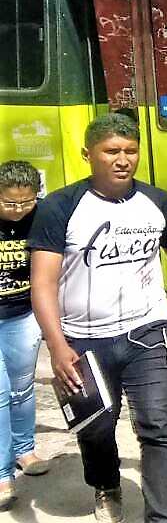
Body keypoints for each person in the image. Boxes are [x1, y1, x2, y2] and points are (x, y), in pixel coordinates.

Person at [28, 113, 167, 523]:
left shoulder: (157, 202)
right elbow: (42, 284)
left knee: (159, 427)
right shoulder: (61, 208)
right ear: (88, 154)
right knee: (94, 428)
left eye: (130, 151)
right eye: (111, 151)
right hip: (83, 341)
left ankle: (164, 518)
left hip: (149, 332)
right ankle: (105, 485)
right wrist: (57, 347)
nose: (122, 159)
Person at [0, 160, 50, 510]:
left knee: (21, 387)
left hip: (22, 314)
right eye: (9, 203)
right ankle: (3, 475)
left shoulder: (43, 217)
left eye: (25, 202)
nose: (18, 210)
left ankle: (24, 450)